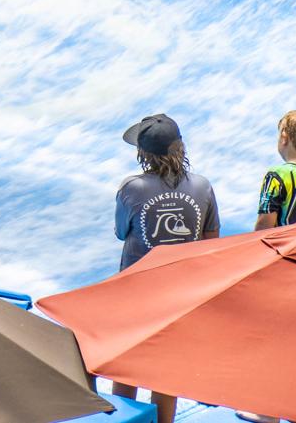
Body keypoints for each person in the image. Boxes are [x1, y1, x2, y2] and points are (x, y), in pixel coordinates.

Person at [113, 113, 219, 423]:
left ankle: (125, 420)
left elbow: (122, 232)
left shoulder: (131, 187)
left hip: (137, 293)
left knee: (127, 364)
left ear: (143, 155)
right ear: (181, 148)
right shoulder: (203, 186)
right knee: (166, 371)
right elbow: (211, 241)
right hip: (182, 295)